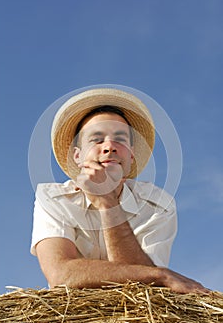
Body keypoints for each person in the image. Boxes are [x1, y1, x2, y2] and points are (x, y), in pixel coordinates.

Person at [30, 87, 208, 294]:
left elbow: (143, 292)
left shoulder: (158, 205)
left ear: (131, 155)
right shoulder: (52, 198)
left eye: (120, 139)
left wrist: (107, 201)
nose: (109, 147)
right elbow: (61, 274)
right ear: (77, 156)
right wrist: (161, 274)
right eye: (97, 139)